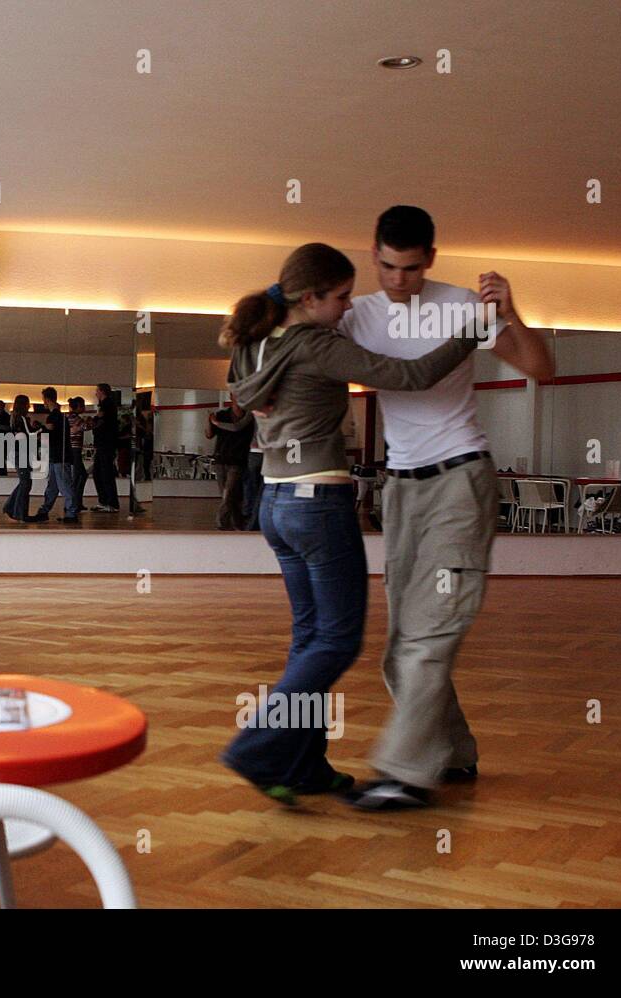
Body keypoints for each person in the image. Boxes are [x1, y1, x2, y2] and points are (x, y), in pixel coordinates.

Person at [219, 241, 487, 804]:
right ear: (311, 298)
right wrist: (471, 332)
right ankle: (258, 747)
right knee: (338, 641)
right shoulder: (316, 346)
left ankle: (302, 764)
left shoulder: (255, 342)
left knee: (311, 640)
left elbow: (242, 395)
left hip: (274, 503)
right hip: (317, 504)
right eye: (341, 297)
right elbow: (410, 377)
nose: (347, 308)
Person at [340, 206, 553, 810]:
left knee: (431, 633)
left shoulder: (461, 305)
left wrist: (510, 315)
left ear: (430, 258)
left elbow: (541, 367)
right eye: (386, 267)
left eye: (409, 268)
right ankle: (453, 751)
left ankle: (404, 774)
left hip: (460, 479)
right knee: (404, 640)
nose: (397, 280)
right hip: (402, 490)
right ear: (373, 255)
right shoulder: (358, 316)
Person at [27, 387, 80, 523]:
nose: (43, 402)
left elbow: (48, 434)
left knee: (64, 486)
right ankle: (44, 511)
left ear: (47, 399)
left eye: (44, 399)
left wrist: (39, 430)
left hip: (59, 456)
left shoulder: (54, 416)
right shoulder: (61, 416)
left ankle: (71, 513)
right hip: (57, 456)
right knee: (53, 486)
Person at [205, 399, 254, 530]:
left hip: (238, 460)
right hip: (221, 458)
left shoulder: (249, 416)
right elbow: (209, 434)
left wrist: (216, 422)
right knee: (229, 495)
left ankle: (221, 522)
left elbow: (237, 427)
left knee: (229, 493)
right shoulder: (221, 414)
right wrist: (210, 421)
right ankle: (239, 524)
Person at [2, 394, 36, 522]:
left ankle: (12, 508)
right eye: (28, 403)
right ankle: (19, 513)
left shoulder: (15, 418)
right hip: (21, 452)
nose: (29, 405)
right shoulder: (22, 419)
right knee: (26, 482)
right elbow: (30, 434)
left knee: (25, 482)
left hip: (18, 451)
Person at [89, 383, 120, 512]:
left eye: (97, 391)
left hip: (106, 444)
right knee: (98, 473)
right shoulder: (106, 405)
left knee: (105, 473)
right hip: (103, 444)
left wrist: (94, 421)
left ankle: (111, 503)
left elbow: (101, 421)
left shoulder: (107, 404)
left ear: (102, 391)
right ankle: (104, 501)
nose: (95, 393)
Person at [67, 396, 89, 512]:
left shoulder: (68, 418)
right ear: (79, 406)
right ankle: (74, 503)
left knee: (80, 475)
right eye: (83, 405)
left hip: (72, 449)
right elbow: (87, 427)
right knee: (78, 476)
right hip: (75, 450)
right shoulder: (77, 419)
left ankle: (76, 502)